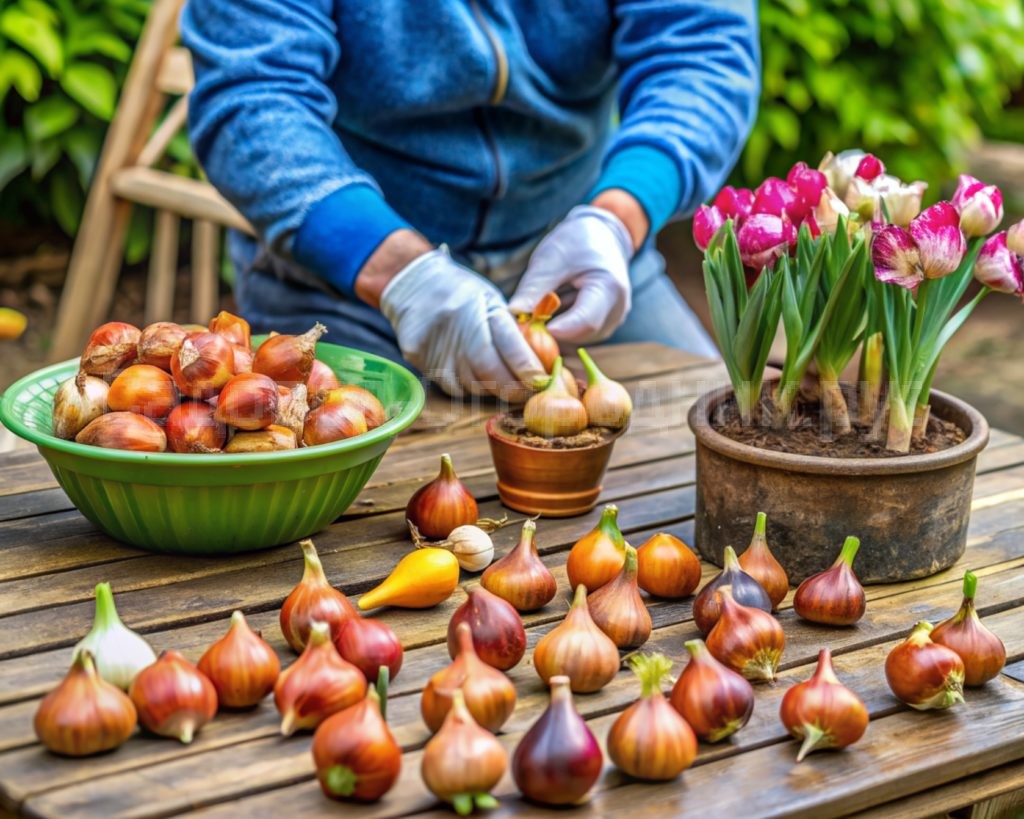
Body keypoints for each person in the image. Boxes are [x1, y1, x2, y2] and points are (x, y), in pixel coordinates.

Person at [181, 0, 759, 399]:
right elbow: (253, 95)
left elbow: (703, 52)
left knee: (710, 441)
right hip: (342, 285)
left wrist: (618, 215)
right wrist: (396, 271)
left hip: (583, 260)